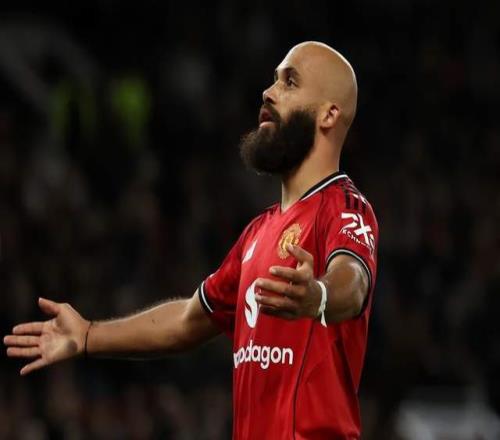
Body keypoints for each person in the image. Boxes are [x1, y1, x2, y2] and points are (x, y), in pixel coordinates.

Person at [4, 41, 379, 439]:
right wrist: (88, 335)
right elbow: (188, 319)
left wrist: (319, 296)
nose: (268, 92)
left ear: (328, 114)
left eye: (290, 82)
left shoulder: (344, 205)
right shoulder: (258, 231)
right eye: (273, 80)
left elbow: (353, 281)